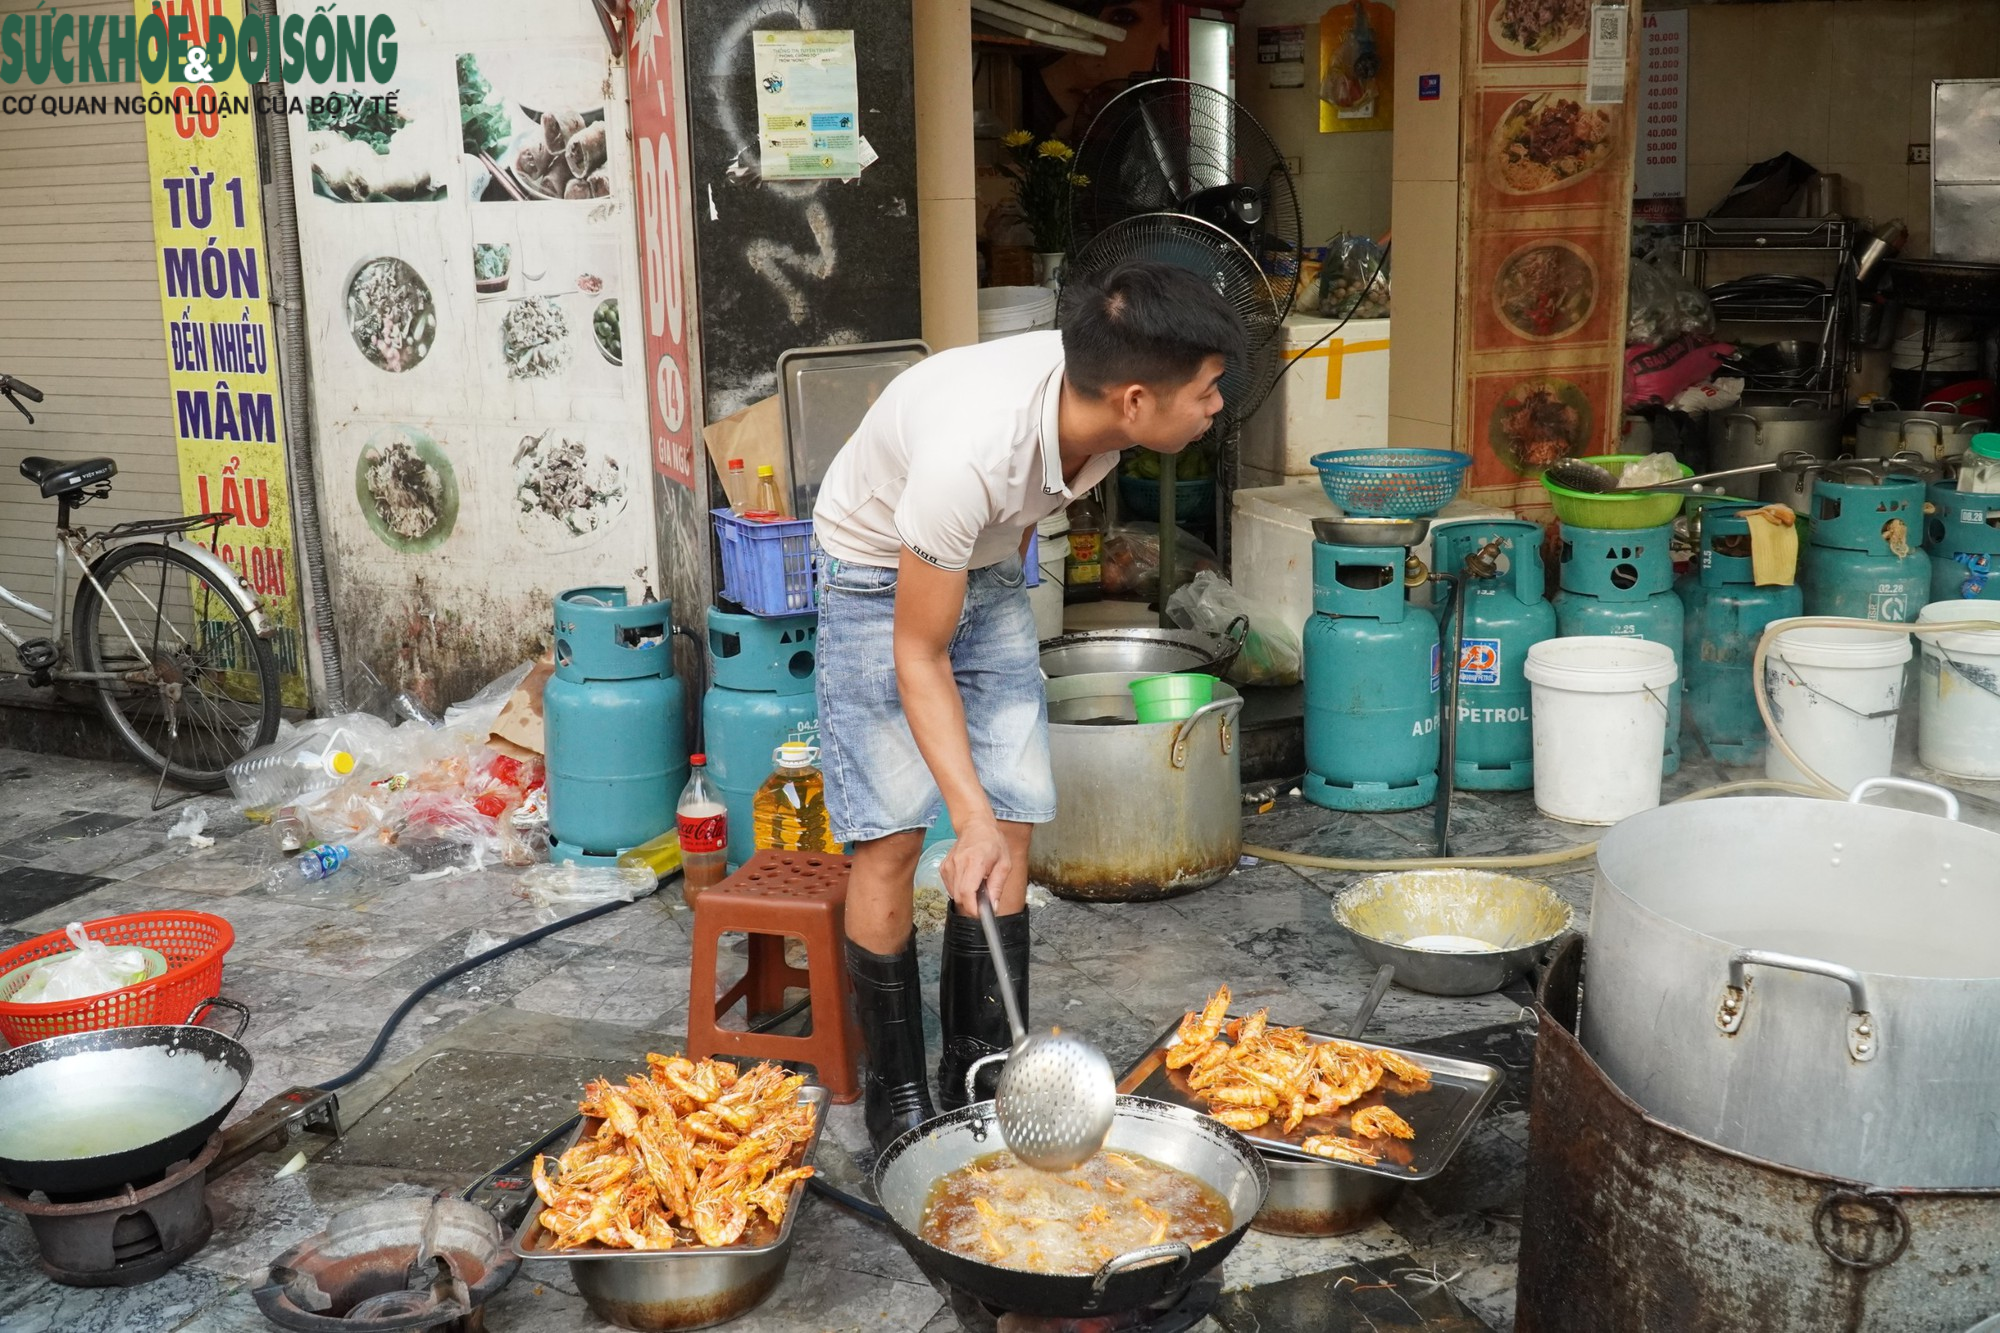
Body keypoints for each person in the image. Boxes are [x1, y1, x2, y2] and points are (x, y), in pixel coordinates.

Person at [809, 260, 1247, 1148]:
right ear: (1134, 399)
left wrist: (983, 816)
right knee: (892, 840)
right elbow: (917, 650)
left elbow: (1003, 534)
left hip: (988, 563)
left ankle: (978, 1062)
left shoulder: (1100, 413)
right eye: (1205, 390)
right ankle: (897, 1095)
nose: (1214, 406)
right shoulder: (972, 453)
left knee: (1011, 825)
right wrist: (957, 814)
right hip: (875, 573)